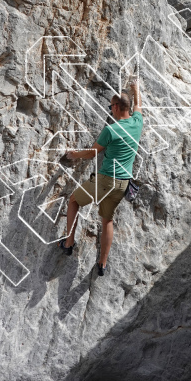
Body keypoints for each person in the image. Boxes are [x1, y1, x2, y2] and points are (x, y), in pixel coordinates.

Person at [59, 80, 143, 276]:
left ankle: (69, 243)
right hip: (123, 185)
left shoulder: (112, 130)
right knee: (107, 220)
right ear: (128, 108)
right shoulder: (137, 122)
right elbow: (139, 106)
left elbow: (91, 153)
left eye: (110, 107)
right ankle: (102, 264)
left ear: (115, 107)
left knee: (73, 201)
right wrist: (136, 90)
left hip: (105, 180)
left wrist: (74, 154)